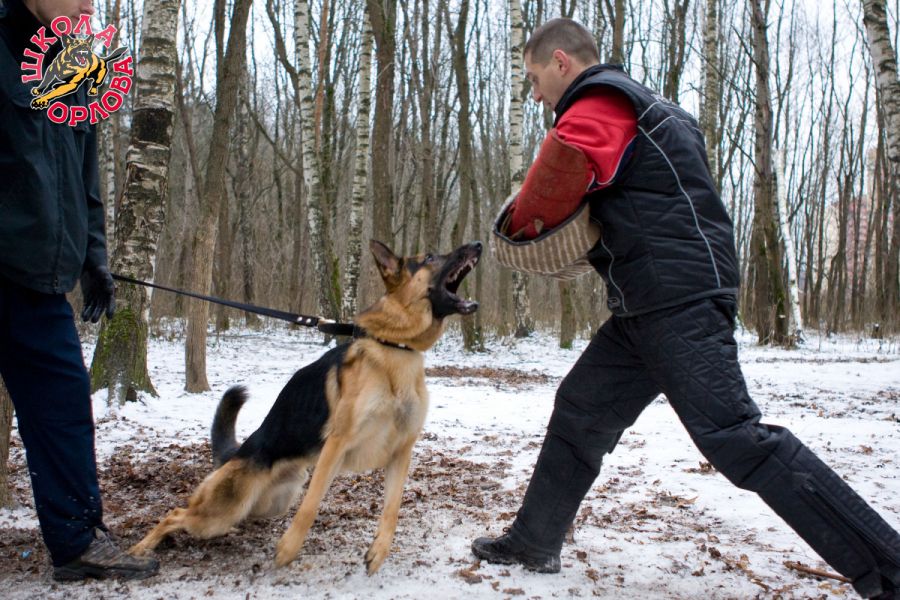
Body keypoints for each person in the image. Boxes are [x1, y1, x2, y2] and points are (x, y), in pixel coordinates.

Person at [475, 17, 899, 600]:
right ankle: (533, 541)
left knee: (736, 438)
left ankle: (890, 568)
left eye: (534, 78)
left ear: (561, 63)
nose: (535, 93)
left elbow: (548, 188)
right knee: (581, 410)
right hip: (648, 302)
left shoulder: (597, 103)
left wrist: (518, 222)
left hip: (675, 303)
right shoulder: (653, 108)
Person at [0, 0, 158, 581]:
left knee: (65, 405)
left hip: (40, 283)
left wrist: (95, 260)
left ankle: (77, 542)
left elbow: (84, 176)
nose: (90, 3)